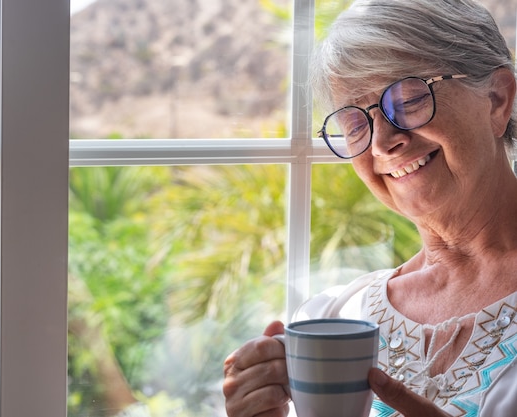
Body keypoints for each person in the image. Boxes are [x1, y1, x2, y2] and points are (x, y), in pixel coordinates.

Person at [222, 0, 517, 416]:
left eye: (410, 99)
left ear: (497, 99)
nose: (381, 142)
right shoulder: (337, 314)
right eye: (356, 123)